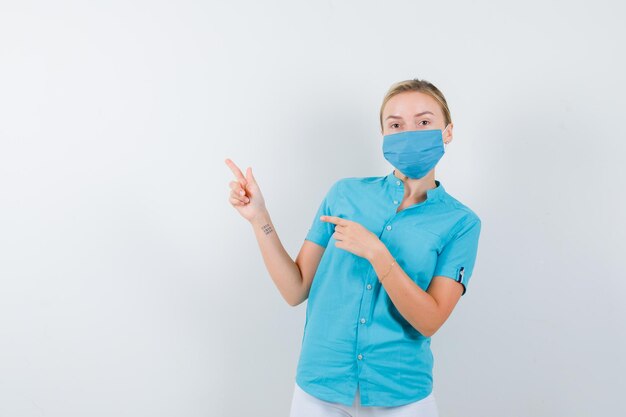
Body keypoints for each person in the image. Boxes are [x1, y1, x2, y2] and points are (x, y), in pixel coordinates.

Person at [225, 78, 482, 417]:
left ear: (447, 132)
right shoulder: (343, 194)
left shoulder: (460, 223)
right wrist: (259, 217)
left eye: (423, 122)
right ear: (384, 135)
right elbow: (295, 288)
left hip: (403, 396)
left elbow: (430, 320)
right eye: (395, 125)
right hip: (320, 391)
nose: (409, 132)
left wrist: (377, 253)